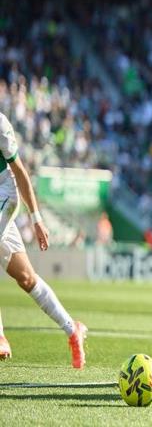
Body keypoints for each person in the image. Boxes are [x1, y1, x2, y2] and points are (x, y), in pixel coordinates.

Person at [0, 112, 87, 368]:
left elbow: (20, 172)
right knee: (26, 277)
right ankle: (72, 329)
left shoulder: (0, 124)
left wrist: (36, 219)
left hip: (4, 192)